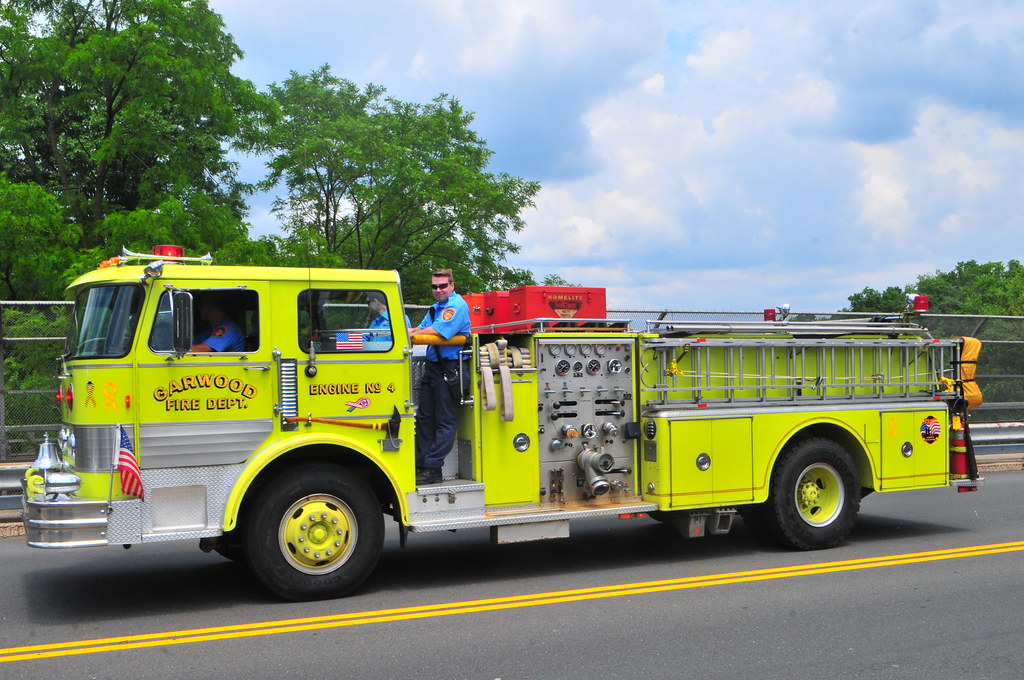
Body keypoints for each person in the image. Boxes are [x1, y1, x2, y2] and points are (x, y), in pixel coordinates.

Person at [409, 269, 470, 485]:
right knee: (424, 418)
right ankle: (422, 464)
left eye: (443, 285)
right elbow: (423, 328)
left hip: (450, 369)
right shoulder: (436, 308)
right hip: (433, 368)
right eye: (434, 286)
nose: (438, 290)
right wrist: (405, 331)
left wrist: (412, 334)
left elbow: (438, 330)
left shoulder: (456, 306)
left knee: (444, 421)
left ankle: (433, 468)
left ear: (452, 285)